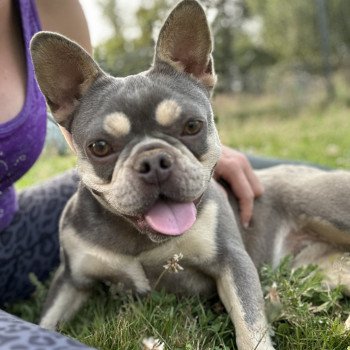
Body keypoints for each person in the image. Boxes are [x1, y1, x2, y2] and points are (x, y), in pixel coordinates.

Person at [0, 0, 263, 348]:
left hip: (10, 225)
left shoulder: (50, 5)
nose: (153, 166)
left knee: (262, 167)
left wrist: (185, 148)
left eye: (190, 126)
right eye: (103, 147)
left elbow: (88, 117)